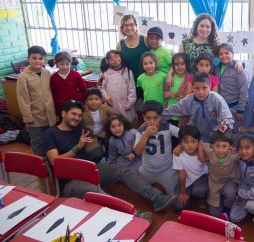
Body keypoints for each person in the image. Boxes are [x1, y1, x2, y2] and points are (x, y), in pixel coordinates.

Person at [44, 100, 177, 212]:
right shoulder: (51, 134)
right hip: (70, 181)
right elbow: (56, 162)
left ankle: (157, 198)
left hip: (91, 171)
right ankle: (133, 214)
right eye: (73, 114)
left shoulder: (80, 129)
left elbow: (106, 125)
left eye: (79, 115)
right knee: (95, 191)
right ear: (63, 113)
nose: (77, 118)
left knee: (120, 169)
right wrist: (78, 146)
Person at [161, 72, 234, 143]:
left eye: (204, 88)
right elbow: (171, 111)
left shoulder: (217, 99)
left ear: (210, 86)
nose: (201, 92)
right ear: (192, 88)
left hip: (216, 138)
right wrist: (156, 118)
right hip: (196, 139)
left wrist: (226, 125)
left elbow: (227, 117)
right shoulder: (188, 100)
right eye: (197, 88)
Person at [17, 45, 56, 156]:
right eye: (34, 58)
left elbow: (51, 93)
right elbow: (23, 100)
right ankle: (42, 168)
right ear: (28, 59)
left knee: (51, 142)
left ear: (44, 59)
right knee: (38, 143)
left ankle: (52, 166)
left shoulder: (47, 73)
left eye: (40, 58)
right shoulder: (23, 78)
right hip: (35, 118)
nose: (37, 61)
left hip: (50, 115)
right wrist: (28, 117)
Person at [134, 100, 179, 195]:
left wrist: (180, 146)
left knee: (172, 196)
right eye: (148, 118)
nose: (151, 122)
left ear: (161, 117)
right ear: (143, 117)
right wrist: (145, 135)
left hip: (166, 169)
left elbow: (183, 135)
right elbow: (137, 152)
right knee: (143, 195)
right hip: (147, 170)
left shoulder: (167, 127)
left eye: (155, 118)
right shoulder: (140, 131)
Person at [197, 131, 240, 218]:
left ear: (231, 147)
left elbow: (248, 153)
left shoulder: (234, 154)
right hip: (215, 183)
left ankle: (228, 205)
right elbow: (200, 143)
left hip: (230, 181)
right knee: (215, 214)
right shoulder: (210, 151)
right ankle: (220, 199)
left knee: (230, 193)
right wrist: (202, 156)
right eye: (217, 146)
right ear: (212, 146)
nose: (220, 150)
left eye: (224, 146)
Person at [230, 133, 254, 224]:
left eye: (247, 148)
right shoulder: (241, 160)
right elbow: (228, 152)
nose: (243, 151)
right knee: (234, 218)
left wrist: (239, 193)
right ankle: (246, 205)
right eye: (240, 147)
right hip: (245, 189)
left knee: (252, 207)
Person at [214, 43, 248, 143]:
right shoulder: (216, 67)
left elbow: (243, 91)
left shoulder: (238, 70)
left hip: (234, 108)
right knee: (223, 129)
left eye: (226, 53)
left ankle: (235, 150)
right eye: (221, 54)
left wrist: (240, 110)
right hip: (221, 107)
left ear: (232, 54)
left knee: (234, 131)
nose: (224, 56)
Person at [172, 125, 208, 210]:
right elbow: (181, 175)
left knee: (199, 190)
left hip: (202, 177)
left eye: (193, 141)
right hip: (187, 180)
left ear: (199, 142)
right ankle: (189, 197)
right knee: (176, 207)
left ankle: (202, 198)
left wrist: (201, 149)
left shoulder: (203, 149)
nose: (190, 145)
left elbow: (202, 159)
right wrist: (182, 193)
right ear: (180, 143)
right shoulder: (177, 153)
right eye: (186, 142)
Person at [99, 50, 137, 123]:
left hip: (126, 104)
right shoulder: (105, 73)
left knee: (127, 123)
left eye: (116, 56)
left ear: (120, 56)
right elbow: (101, 87)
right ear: (107, 61)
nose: (115, 59)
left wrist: (130, 103)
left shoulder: (128, 72)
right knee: (114, 123)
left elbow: (132, 88)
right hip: (112, 104)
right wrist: (106, 97)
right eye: (111, 59)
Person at [81, 88, 119, 162]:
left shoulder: (104, 108)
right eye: (90, 99)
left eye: (96, 99)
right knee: (95, 155)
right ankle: (101, 154)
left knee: (113, 146)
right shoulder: (82, 111)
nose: (94, 101)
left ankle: (109, 157)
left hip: (103, 133)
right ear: (86, 101)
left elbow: (118, 115)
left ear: (101, 100)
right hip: (90, 137)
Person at [50, 50, 87, 116]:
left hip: (76, 106)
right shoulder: (53, 78)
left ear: (70, 63)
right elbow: (53, 95)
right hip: (61, 108)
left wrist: (81, 103)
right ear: (57, 64)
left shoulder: (76, 75)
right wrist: (56, 112)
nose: (65, 67)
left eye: (67, 64)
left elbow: (84, 90)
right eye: (62, 64)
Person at [116, 14, 149, 86]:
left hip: (147, 82)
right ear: (122, 28)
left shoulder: (145, 40)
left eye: (131, 24)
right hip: (129, 83)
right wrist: (104, 72)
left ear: (136, 26)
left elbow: (158, 54)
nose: (129, 27)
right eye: (125, 25)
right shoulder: (120, 45)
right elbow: (116, 64)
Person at [163, 53, 191, 127]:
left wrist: (183, 99)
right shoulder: (169, 77)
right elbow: (164, 92)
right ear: (173, 66)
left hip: (182, 116)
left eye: (182, 64)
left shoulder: (190, 78)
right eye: (176, 64)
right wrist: (169, 94)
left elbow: (191, 97)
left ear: (186, 64)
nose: (179, 67)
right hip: (169, 114)